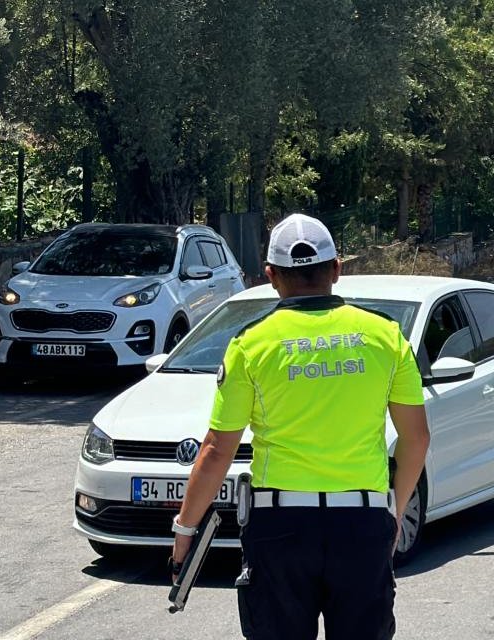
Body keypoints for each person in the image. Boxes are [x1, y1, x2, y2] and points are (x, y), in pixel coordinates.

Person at [170, 213, 431, 639]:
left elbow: (217, 449)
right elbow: (416, 437)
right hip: (362, 524)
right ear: (337, 270)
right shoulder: (386, 336)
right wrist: (395, 511)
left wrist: (185, 530)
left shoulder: (250, 343)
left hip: (280, 530)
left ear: (271, 276)